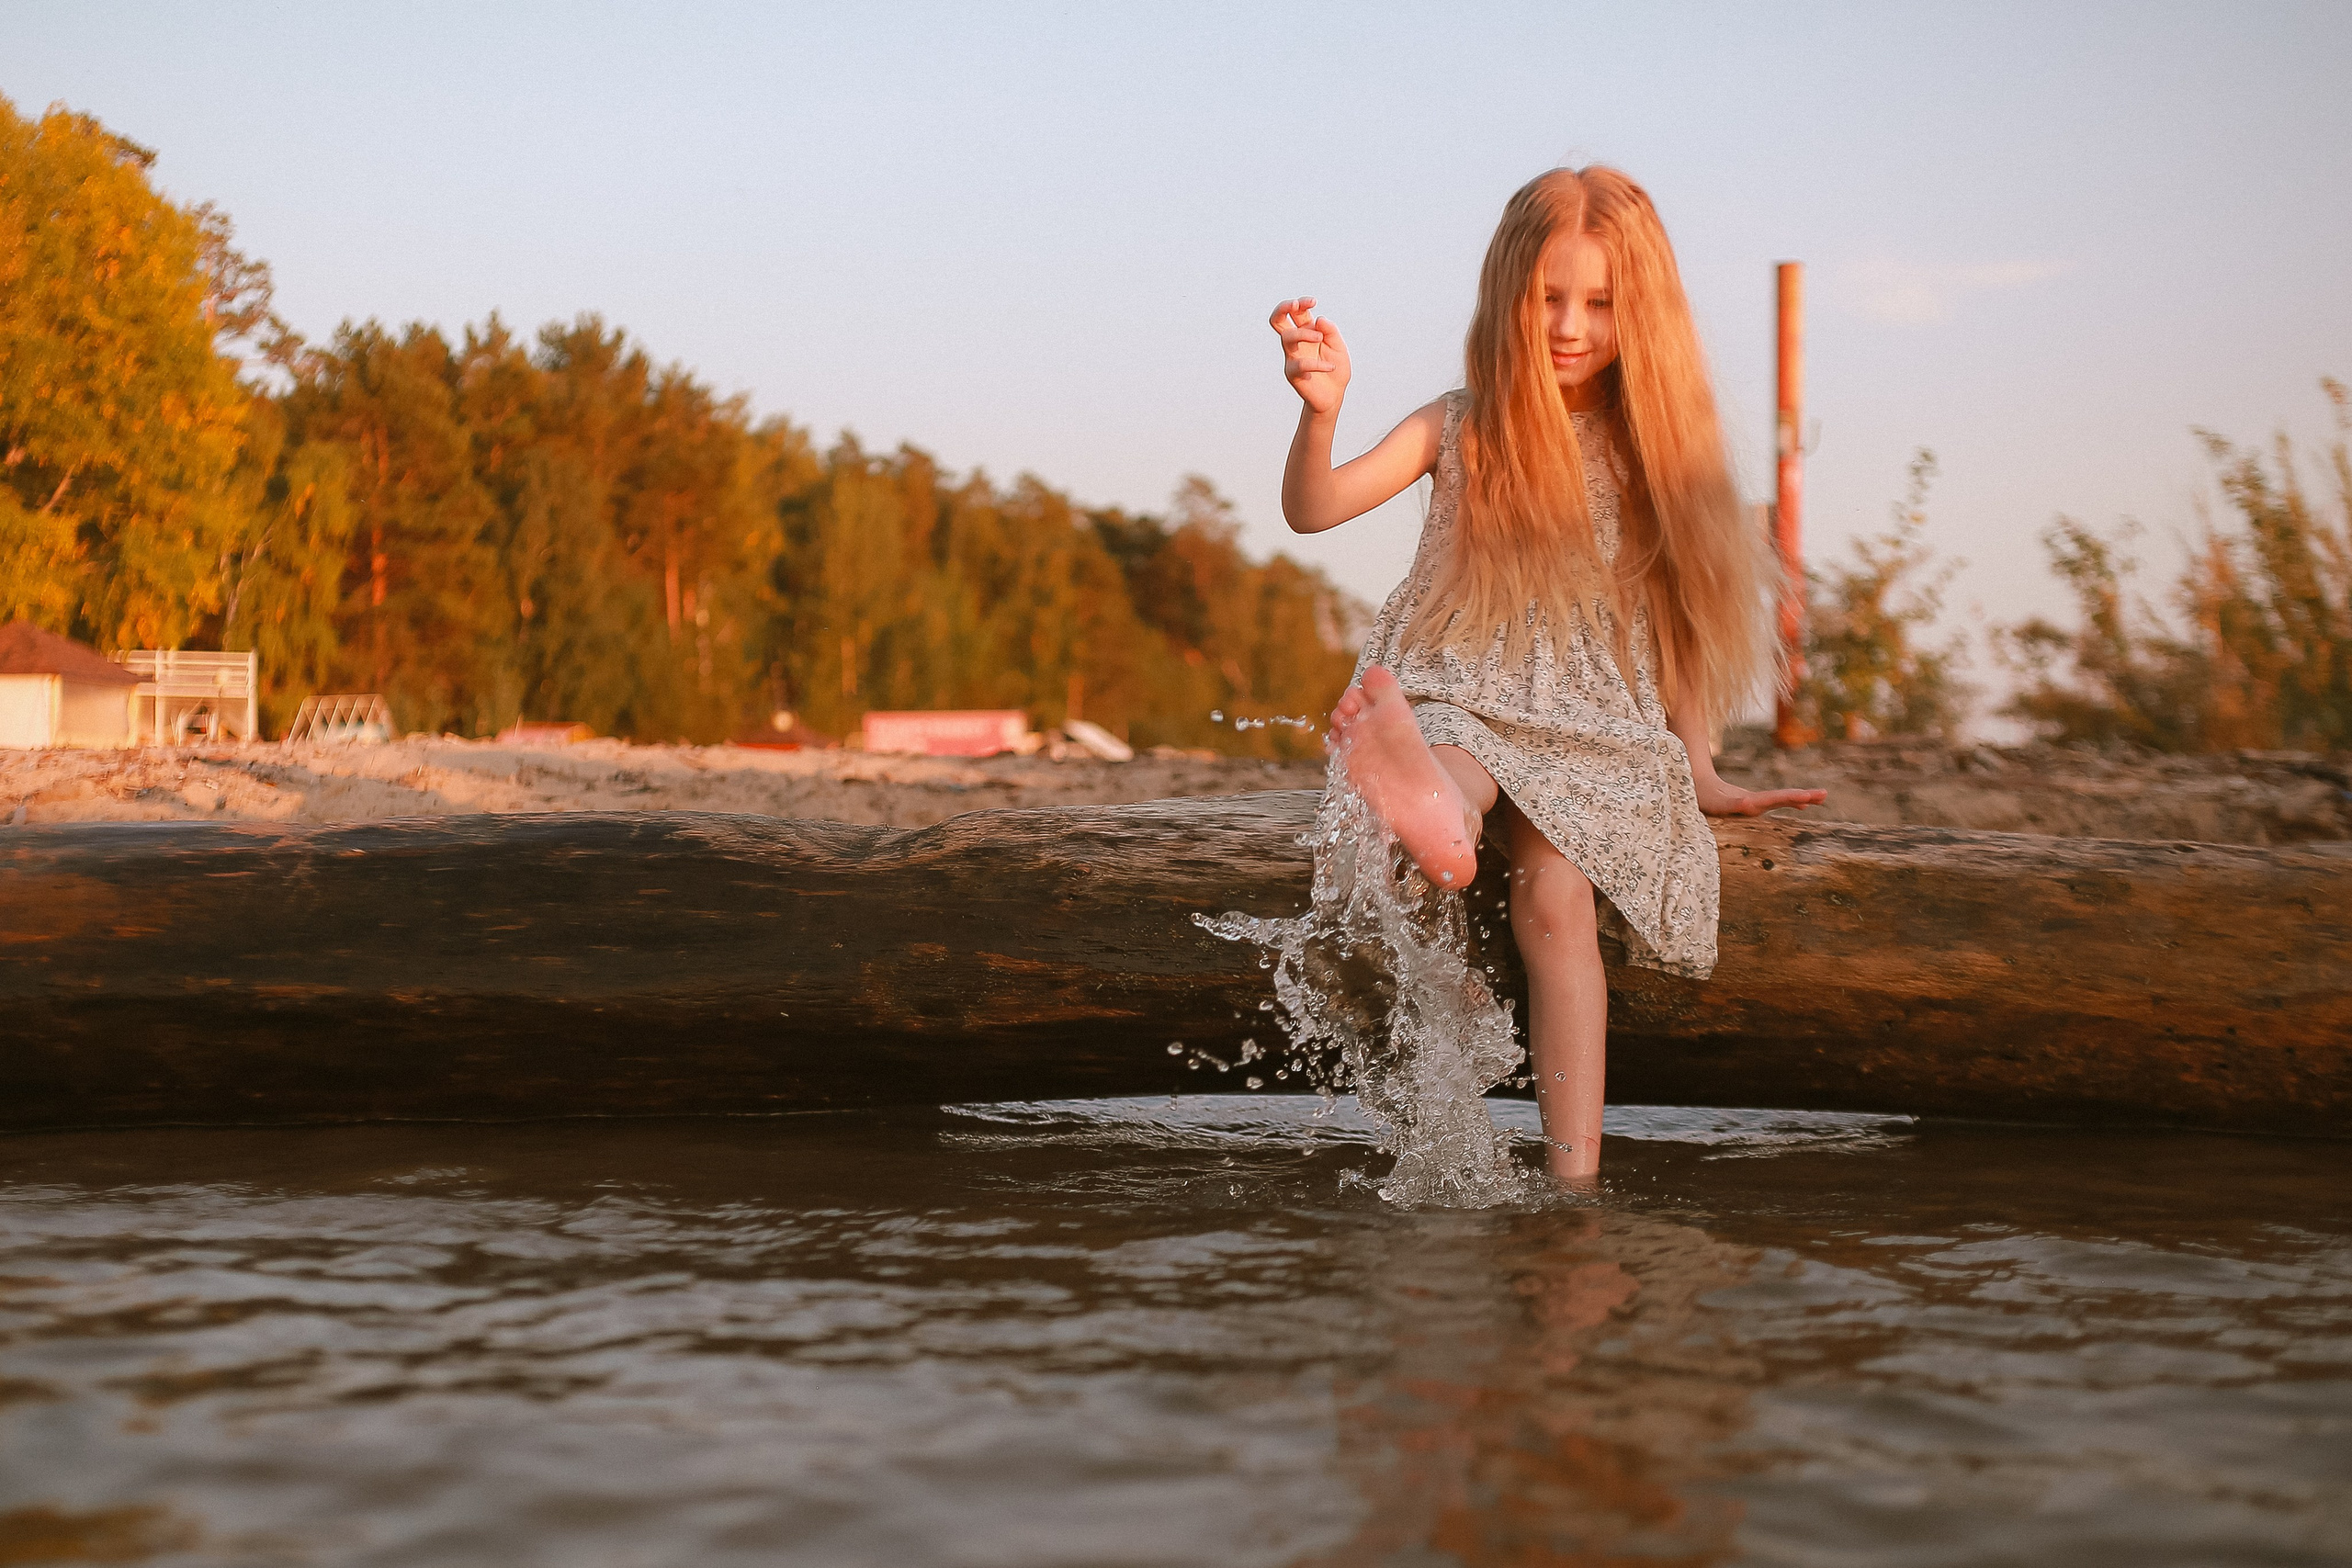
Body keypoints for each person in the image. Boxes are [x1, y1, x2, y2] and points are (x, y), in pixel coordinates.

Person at [1272, 166, 1826, 1184]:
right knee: (1461, 753)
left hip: (1594, 716)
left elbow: (1676, 622)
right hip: (1456, 674)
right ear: (1506, 294)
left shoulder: (1651, 449)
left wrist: (1696, 768)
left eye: (1601, 302)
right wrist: (1322, 410)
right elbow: (1315, 510)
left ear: (1642, 311)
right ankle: (1433, 815)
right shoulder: (1460, 420)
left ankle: (1575, 1175)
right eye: (1548, 297)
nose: (1570, 324)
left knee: (1560, 900)